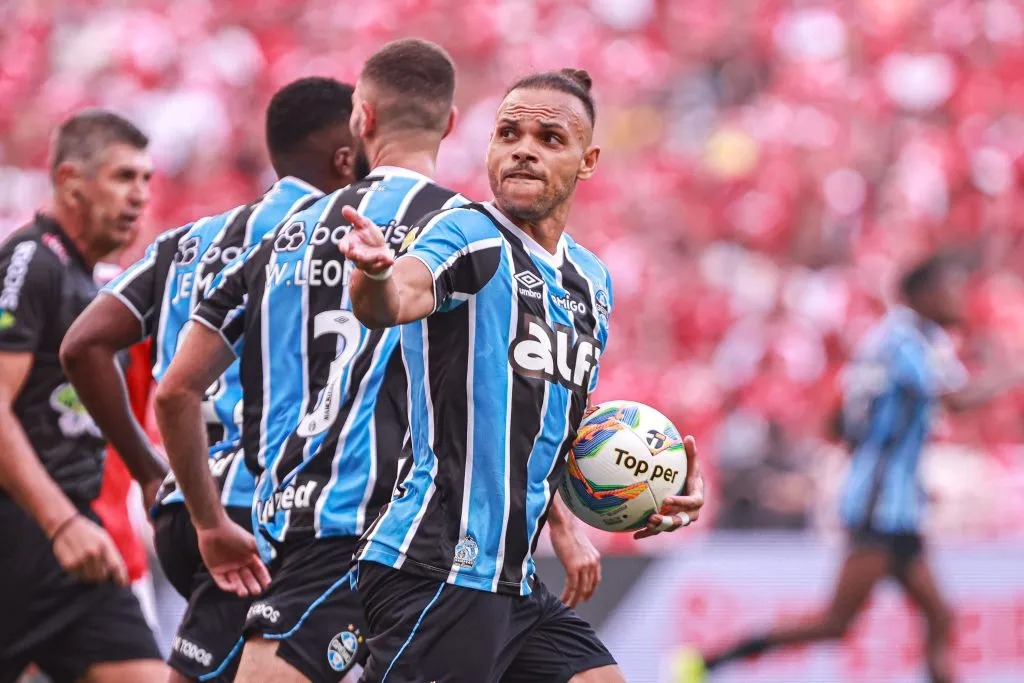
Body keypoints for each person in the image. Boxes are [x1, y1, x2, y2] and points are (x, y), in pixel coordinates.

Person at [339, 67, 706, 683]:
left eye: (549, 139)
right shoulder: (472, 235)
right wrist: (376, 275)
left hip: (512, 577)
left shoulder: (592, 281)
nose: (523, 150)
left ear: (587, 161)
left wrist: (638, 487)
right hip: (437, 565)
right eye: (508, 133)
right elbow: (396, 298)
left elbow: (542, 422)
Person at [153, 39, 469, 683]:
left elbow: (174, 392)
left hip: (311, 526)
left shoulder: (278, 238)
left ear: (363, 118)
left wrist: (210, 523)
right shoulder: (470, 232)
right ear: (451, 123)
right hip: (425, 539)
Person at [60, 77, 361, 683]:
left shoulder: (188, 241)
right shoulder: (340, 242)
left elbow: (85, 343)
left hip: (187, 503)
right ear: (347, 157)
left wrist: (151, 471)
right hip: (265, 515)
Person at [681, 252, 1024, 683]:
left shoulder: (894, 338)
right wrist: (1010, 371)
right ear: (923, 294)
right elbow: (955, 398)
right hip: (880, 508)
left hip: (895, 507)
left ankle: (706, 664)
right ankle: (707, 663)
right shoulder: (906, 341)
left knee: (938, 615)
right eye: (950, 289)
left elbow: (839, 419)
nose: (959, 299)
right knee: (835, 623)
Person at [0, 110, 168, 683]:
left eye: (146, 180)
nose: (140, 196)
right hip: (24, 537)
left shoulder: (94, 285)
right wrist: (58, 523)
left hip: (79, 558)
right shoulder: (31, 261)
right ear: (71, 180)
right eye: (124, 177)